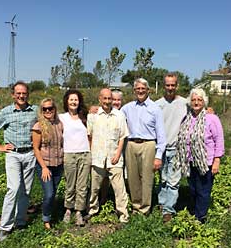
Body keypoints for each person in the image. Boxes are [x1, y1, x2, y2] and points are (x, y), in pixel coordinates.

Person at [0, 81, 38, 241]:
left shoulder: (35, 111)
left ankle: (20, 222)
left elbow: (50, 116)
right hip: (13, 155)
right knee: (13, 189)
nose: (21, 96)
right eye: (18, 93)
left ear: (28, 94)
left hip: (29, 154)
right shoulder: (6, 112)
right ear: (13, 95)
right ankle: (5, 228)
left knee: (26, 191)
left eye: (24, 93)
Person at [174, 88, 224, 223]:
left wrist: (217, 160)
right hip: (190, 161)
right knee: (194, 189)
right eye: (194, 100)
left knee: (203, 190)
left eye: (199, 100)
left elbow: (218, 140)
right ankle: (195, 212)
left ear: (204, 102)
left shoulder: (211, 118)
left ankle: (200, 217)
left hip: (205, 162)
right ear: (190, 102)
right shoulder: (187, 118)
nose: (196, 102)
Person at [121, 78, 166, 215]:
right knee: (133, 178)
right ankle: (136, 206)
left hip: (148, 144)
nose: (140, 91)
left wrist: (158, 156)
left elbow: (161, 135)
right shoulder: (127, 108)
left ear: (148, 90)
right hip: (131, 144)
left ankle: (145, 208)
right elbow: (115, 114)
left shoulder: (155, 108)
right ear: (134, 91)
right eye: (137, 89)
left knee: (147, 178)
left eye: (143, 89)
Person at [86, 88, 130, 223]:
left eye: (109, 99)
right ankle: (92, 210)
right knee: (94, 187)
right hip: (97, 157)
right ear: (100, 99)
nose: (107, 101)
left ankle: (123, 214)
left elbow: (122, 136)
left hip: (114, 157)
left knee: (119, 188)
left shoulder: (119, 115)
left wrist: (117, 154)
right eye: (104, 98)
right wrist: (91, 153)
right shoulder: (93, 116)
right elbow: (90, 135)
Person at [156, 73, 188, 223]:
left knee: (173, 181)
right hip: (161, 148)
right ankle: (162, 204)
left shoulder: (184, 103)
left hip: (176, 148)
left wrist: (210, 110)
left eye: (173, 85)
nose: (170, 88)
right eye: (167, 85)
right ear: (164, 86)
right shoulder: (157, 104)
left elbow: (198, 108)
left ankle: (169, 211)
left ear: (177, 86)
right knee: (163, 179)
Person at [59, 89, 91, 226]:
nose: (74, 102)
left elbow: (90, 135)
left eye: (76, 100)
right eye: (71, 99)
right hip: (69, 154)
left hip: (85, 154)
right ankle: (68, 209)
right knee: (70, 184)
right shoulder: (61, 117)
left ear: (79, 102)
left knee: (82, 185)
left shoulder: (85, 116)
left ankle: (79, 211)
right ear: (67, 101)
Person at [32, 98, 63, 230]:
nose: (48, 111)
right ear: (42, 111)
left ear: (55, 109)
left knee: (53, 192)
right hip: (45, 165)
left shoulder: (59, 123)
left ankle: (49, 212)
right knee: (49, 193)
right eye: (45, 109)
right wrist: (44, 167)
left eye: (50, 108)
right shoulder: (38, 126)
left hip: (58, 164)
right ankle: (46, 219)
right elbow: (36, 148)